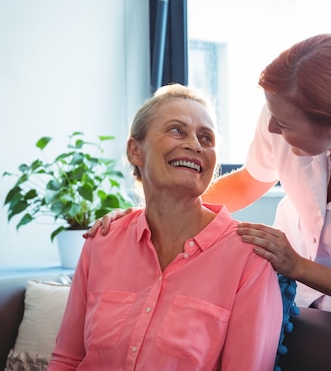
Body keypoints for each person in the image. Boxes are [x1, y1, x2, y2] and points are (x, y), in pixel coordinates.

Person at [89, 33, 331, 326]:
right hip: (285, 298)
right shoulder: (284, 108)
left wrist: (295, 264)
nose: (271, 127)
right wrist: (150, 219)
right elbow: (250, 181)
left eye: (283, 123)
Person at [48, 84, 282, 371]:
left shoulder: (249, 257)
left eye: (206, 138)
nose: (195, 145)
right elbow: (67, 359)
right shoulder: (102, 241)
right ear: (135, 151)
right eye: (177, 130)